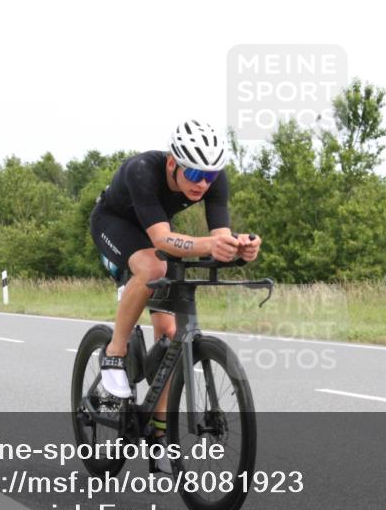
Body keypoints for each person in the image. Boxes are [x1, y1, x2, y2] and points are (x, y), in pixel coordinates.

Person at [88, 120, 261, 439]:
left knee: (170, 334)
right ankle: (115, 351)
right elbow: (163, 240)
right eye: (194, 174)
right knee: (154, 268)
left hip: (156, 230)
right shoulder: (141, 170)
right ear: (172, 163)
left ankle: (159, 428)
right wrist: (211, 244)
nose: (202, 184)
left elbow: (219, 238)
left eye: (208, 176)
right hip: (114, 225)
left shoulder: (213, 178)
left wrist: (240, 248)